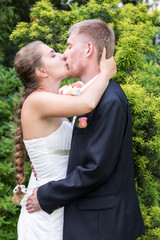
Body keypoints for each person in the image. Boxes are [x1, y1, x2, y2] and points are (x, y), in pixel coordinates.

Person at [26, 19, 145, 240]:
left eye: (69, 46)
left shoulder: (108, 99)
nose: (64, 54)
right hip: (86, 220)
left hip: (100, 225)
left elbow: (96, 168)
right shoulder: (89, 95)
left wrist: (46, 195)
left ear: (88, 48)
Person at [12, 39, 116, 240]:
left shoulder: (52, 99)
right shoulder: (36, 102)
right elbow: (87, 103)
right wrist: (105, 74)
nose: (62, 55)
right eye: (52, 54)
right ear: (41, 72)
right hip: (46, 208)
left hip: (62, 200)